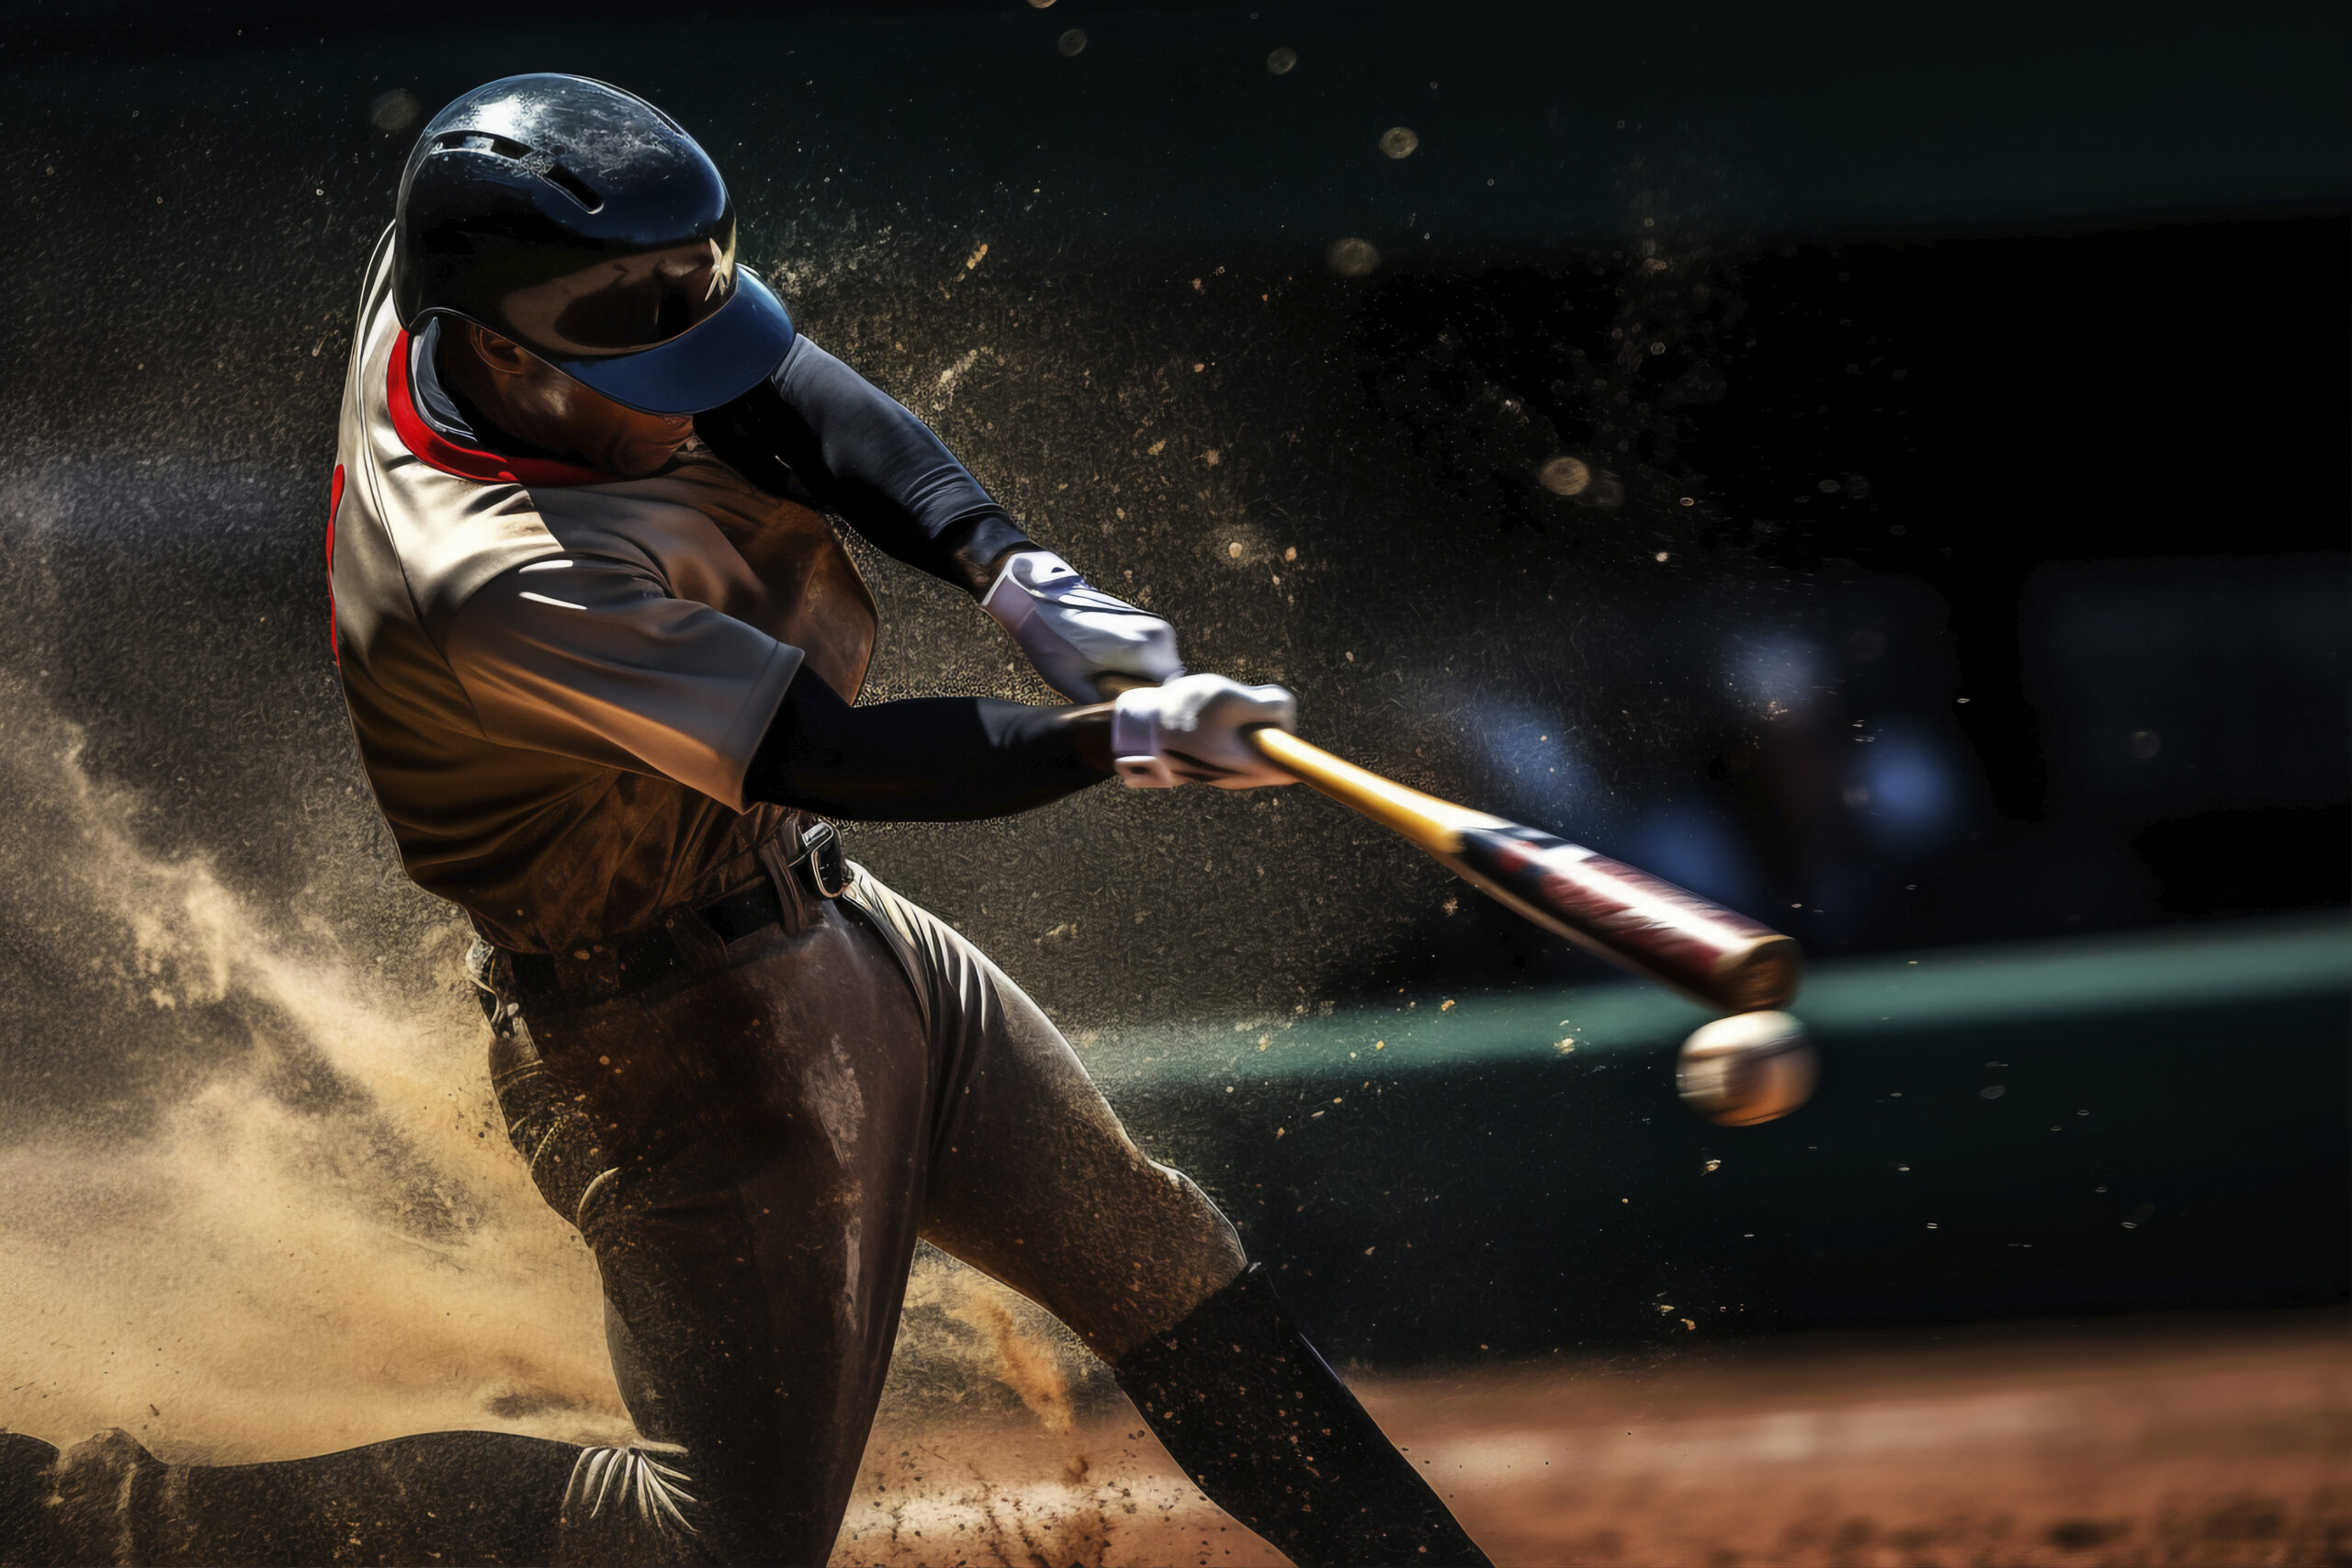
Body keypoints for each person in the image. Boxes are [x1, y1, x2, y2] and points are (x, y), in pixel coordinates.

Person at [7, 75, 1489, 1568]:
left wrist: (1010, 566)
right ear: (502, 351)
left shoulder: (463, 272)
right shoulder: (495, 576)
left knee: (1158, 1257)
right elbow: (827, 754)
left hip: (835, 923)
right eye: (647, 366)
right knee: (711, 1545)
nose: (692, 396)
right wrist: (1122, 738)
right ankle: (91, 1519)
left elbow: (783, 386)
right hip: (676, 1045)